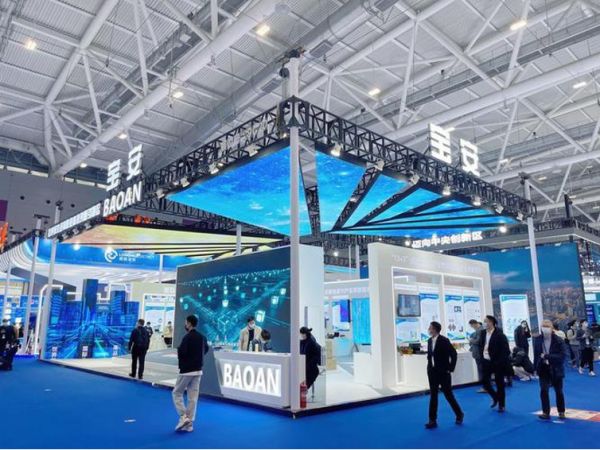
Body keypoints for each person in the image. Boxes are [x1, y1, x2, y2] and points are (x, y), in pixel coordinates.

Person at [172, 315, 209, 433]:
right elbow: (206, 349)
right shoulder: (202, 337)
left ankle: (184, 417)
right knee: (193, 398)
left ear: (188, 323)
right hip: (198, 370)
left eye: (186, 322)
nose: (185, 324)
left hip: (187, 370)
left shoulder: (187, 337)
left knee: (177, 393)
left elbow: (182, 352)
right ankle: (189, 424)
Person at [424, 321, 464, 429]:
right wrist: (429, 367)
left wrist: (450, 368)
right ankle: (432, 420)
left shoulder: (444, 340)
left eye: (430, 328)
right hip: (432, 372)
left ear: (435, 329)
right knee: (433, 395)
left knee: (448, 395)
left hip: (443, 372)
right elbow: (430, 356)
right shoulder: (429, 341)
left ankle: (459, 414)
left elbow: (453, 354)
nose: (429, 329)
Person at [534, 319, 566, 420]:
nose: (545, 328)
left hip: (556, 368)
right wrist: (535, 368)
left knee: (559, 391)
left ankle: (561, 411)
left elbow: (562, 356)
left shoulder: (558, 340)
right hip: (543, 368)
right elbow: (536, 355)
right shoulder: (538, 340)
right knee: (544, 390)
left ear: (552, 328)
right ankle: (545, 412)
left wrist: (547, 356)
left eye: (547, 326)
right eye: (543, 326)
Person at [479, 315, 510, 412]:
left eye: (486, 321)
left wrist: (499, 361)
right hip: (486, 361)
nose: (484, 323)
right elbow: (481, 345)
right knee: (484, 381)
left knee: (499, 384)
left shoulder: (499, 334)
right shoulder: (483, 333)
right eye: (484, 321)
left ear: (491, 322)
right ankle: (495, 397)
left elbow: (506, 351)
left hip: (497, 362)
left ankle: (501, 405)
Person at [468, 320, 486, 393]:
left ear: (474, 324)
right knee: (482, 370)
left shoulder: (480, 330)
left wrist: (471, 340)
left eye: (471, 326)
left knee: (482, 370)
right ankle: (486, 386)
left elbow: (478, 341)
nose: (472, 327)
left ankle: (485, 387)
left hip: (479, 353)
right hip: (478, 353)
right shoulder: (478, 330)